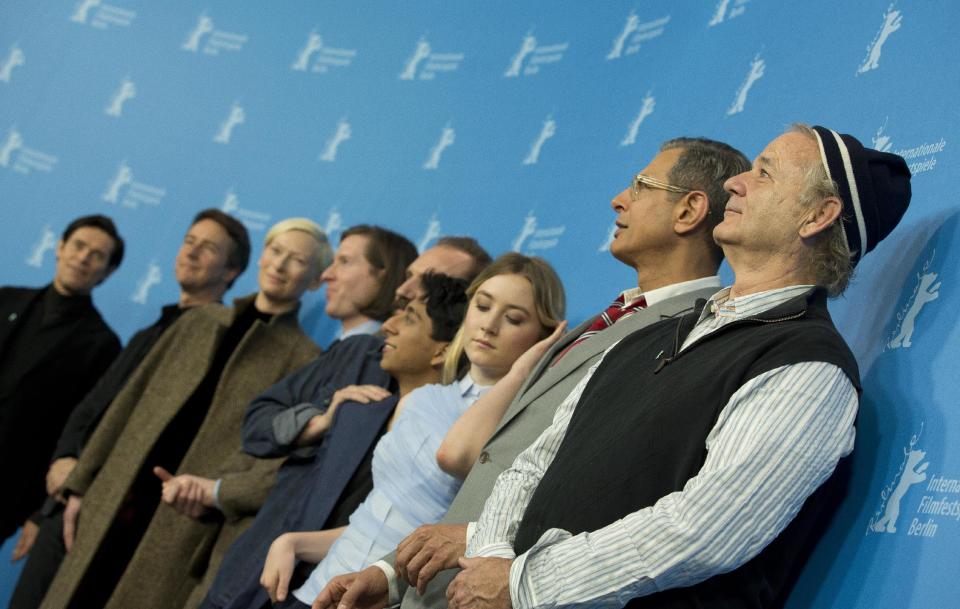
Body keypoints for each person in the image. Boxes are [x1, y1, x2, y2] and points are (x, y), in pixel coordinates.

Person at [447, 124, 911, 609]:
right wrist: (491, 560)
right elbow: (534, 464)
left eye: (765, 174)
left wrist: (522, 583)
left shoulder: (809, 366)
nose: (736, 183)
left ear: (817, 215)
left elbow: (709, 528)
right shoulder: (650, 331)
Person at [316, 137, 751, 609]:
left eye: (641, 185)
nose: (619, 199)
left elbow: (598, 488)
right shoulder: (602, 322)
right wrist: (393, 574)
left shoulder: (691, 339)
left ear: (688, 211)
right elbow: (495, 470)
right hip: (441, 588)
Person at [38, 218, 333, 609]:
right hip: (119, 491)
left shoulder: (307, 358)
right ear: (261, 258)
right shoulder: (199, 321)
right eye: (276, 252)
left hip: (186, 520)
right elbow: (127, 404)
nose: (279, 266)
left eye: (296, 260)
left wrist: (217, 494)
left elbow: (277, 462)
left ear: (315, 280)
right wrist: (82, 482)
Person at [197, 239, 491, 609]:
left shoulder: (461, 426)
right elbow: (257, 425)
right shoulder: (360, 354)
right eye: (411, 275)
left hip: (345, 589)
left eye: (430, 281)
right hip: (259, 575)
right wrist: (318, 421)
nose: (405, 290)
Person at [264, 253, 566, 609]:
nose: (489, 325)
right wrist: (294, 543)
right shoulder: (422, 397)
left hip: (399, 598)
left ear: (544, 336)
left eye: (514, 318)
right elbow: (378, 522)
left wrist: (523, 372)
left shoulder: (522, 427)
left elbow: (453, 456)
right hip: (320, 589)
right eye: (482, 306)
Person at [9, 209, 250, 609]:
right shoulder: (150, 331)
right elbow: (94, 407)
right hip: (68, 498)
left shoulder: (217, 346)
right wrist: (65, 459)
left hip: (114, 518)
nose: (190, 253)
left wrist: (94, 487)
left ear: (231, 271)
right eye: (188, 241)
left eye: (207, 248)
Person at [0, 214, 124, 544]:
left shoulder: (102, 344)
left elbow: (75, 429)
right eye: (78, 246)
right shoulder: (6, 299)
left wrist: (39, 512)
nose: (83, 257)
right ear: (59, 247)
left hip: (7, 484)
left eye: (96, 255)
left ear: (108, 271)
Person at [320, 225, 420, 340]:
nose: (326, 275)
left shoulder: (378, 353)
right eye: (333, 262)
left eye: (345, 262)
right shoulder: (344, 349)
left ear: (385, 276)